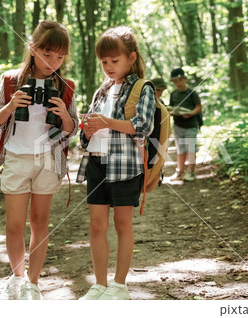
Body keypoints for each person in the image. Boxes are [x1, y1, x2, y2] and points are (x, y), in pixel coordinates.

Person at [0, 21, 78, 300]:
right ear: (32, 48)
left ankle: (33, 284)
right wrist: (11, 105)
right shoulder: (10, 80)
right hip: (16, 157)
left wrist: (64, 114)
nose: (53, 62)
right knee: (14, 225)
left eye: (60, 56)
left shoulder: (65, 86)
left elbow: (72, 129)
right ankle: (16, 278)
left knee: (40, 223)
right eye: (47, 54)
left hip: (48, 161)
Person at [76, 26, 156, 300]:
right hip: (97, 163)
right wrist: (86, 131)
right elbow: (85, 135)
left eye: (114, 60)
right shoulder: (102, 90)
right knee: (97, 225)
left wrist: (107, 123)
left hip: (126, 166)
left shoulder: (142, 88)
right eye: (104, 62)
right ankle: (99, 284)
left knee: (123, 225)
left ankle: (120, 285)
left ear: (131, 57)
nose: (108, 67)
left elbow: (143, 126)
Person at [169, 68, 202, 182]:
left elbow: (198, 107)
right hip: (178, 126)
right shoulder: (173, 94)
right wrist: (172, 113)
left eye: (180, 80)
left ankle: (191, 172)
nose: (178, 83)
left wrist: (190, 113)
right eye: (175, 81)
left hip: (191, 125)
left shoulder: (192, 93)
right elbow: (171, 108)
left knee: (191, 149)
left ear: (184, 79)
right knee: (180, 149)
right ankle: (180, 172)